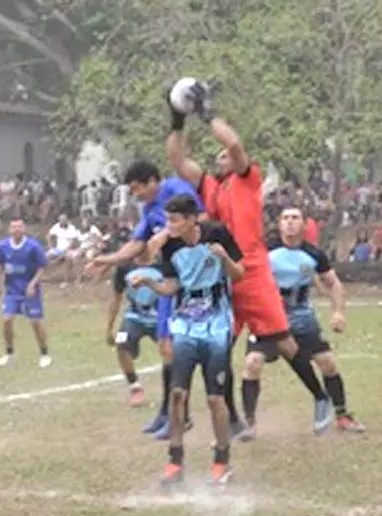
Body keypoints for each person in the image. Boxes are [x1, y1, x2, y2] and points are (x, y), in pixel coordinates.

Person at [165, 80, 334, 435]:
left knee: (285, 341)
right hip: (223, 273)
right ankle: (236, 420)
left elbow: (235, 144)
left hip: (254, 270)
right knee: (219, 347)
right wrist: (177, 117)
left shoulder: (247, 178)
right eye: (219, 156)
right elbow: (177, 159)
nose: (223, 155)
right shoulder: (211, 185)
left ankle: (320, 397)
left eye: (225, 155)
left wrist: (207, 113)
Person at [131, 195, 244, 485]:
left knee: (215, 398)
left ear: (192, 219)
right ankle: (175, 462)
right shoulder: (171, 247)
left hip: (217, 326)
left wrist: (224, 258)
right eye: (167, 220)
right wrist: (150, 283)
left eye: (174, 220)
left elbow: (239, 274)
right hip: (185, 326)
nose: (169, 226)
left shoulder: (217, 234)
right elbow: (171, 287)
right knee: (178, 394)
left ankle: (222, 460)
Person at [86, 161, 202, 437]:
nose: (135, 195)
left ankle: (185, 415)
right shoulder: (149, 210)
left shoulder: (176, 189)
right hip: (168, 278)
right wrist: (109, 259)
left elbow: (203, 218)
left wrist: (167, 232)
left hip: (193, 280)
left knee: (186, 351)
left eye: (137, 188)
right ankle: (169, 413)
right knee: (166, 349)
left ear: (152, 181)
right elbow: (138, 244)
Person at [241, 208, 364, 439]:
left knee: (327, 363)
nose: (289, 223)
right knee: (252, 363)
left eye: (295, 218)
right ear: (278, 224)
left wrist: (338, 312)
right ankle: (249, 423)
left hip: (302, 318)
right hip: (268, 319)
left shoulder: (314, 254)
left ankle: (342, 415)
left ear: (304, 224)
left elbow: (334, 284)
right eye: (285, 218)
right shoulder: (264, 251)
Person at [0, 216, 52, 368]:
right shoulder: (3, 246)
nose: (17, 230)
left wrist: (33, 284)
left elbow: (42, 266)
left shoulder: (33, 246)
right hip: (11, 290)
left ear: (24, 228)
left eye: (19, 227)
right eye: (14, 227)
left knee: (35, 322)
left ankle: (44, 353)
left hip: (29, 291)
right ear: (9, 229)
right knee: (6, 320)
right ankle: (9, 353)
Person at [107, 248, 163, 408]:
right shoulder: (125, 267)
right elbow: (116, 298)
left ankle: (174, 388)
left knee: (173, 352)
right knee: (121, 345)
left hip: (160, 318)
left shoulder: (163, 264)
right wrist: (109, 327)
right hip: (134, 317)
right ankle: (135, 388)